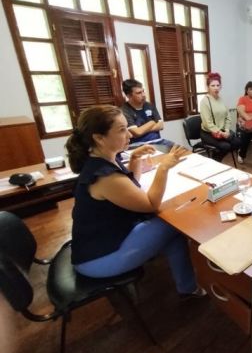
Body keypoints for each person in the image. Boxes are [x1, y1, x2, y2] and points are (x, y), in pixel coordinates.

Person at [65, 105, 205, 299]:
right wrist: (163, 168)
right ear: (99, 138)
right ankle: (190, 286)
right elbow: (150, 203)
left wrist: (136, 158)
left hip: (96, 245)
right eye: (122, 130)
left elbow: (130, 188)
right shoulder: (104, 176)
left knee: (172, 230)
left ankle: (187, 288)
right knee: (175, 223)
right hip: (97, 261)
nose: (129, 135)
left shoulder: (103, 159)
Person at [199, 72, 241, 162]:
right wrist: (221, 133)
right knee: (225, 146)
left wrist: (226, 130)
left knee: (237, 142)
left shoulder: (221, 99)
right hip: (209, 133)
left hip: (222, 131)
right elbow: (208, 123)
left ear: (220, 86)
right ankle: (215, 162)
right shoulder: (204, 101)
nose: (216, 88)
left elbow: (228, 117)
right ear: (208, 87)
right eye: (213, 85)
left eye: (218, 85)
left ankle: (216, 159)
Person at [121, 79, 173, 148]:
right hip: (138, 145)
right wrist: (152, 122)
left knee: (176, 150)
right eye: (139, 93)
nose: (143, 95)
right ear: (129, 96)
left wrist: (142, 129)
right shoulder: (124, 110)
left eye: (143, 91)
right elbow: (137, 133)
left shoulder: (149, 105)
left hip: (157, 141)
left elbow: (161, 125)